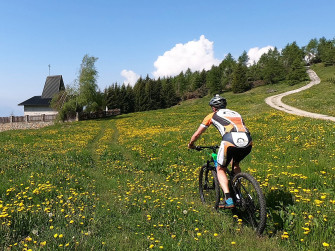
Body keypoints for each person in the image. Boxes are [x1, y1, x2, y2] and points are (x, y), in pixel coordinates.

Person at [188, 94, 252, 209]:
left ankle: (228, 199)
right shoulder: (236, 113)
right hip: (247, 140)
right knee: (235, 163)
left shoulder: (212, 115)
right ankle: (237, 192)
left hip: (229, 140)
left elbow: (197, 134)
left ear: (213, 107)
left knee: (220, 168)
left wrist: (191, 144)